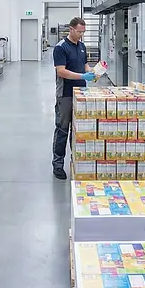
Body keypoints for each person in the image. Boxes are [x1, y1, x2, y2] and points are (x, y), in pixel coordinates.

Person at [52, 17, 94, 180]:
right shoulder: (61, 48)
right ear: (71, 29)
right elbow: (61, 71)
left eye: (83, 32)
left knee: (77, 130)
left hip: (81, 93)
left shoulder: (82, 46)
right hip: (66, 94)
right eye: (79, 32)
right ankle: (58, 164)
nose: (81, 35)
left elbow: (84, 65)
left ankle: (75, 163)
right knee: (62, 129)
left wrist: (91, 72)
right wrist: (81, 75)